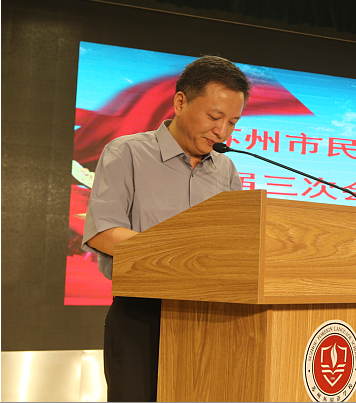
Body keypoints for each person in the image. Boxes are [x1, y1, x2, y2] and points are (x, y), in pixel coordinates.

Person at [81, 55, 251, 402]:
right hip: (141, 318)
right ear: (181, 102)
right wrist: (180, 257)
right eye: (214, 117)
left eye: (232, 122)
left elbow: (234, 244)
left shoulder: (226, 170)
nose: (222, 132)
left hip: (211, 319)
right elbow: (104, 232)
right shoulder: (126, 153)